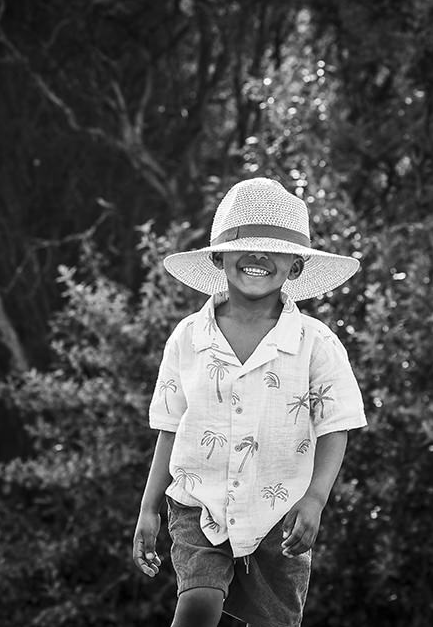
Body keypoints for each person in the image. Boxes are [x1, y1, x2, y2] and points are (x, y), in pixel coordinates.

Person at [132, 177, 367, 627]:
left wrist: (315, 499)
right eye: (245, 247)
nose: (258, 257)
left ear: (295, 267)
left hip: (279, 515)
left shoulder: (315, 342)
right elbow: (170, 427)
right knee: (198, 603)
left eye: (274, 251)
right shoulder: (187, 337)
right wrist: (148, 508)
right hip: (197, 505)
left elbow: (336, 425)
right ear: (218, 258)